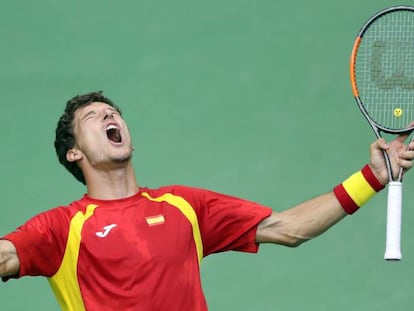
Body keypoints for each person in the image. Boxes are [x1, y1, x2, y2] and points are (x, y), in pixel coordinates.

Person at [1, 91, 413, 311]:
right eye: (94, 118)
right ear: (74, 152)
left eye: (113, 113)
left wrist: (373, 177)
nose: (110, 117)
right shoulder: (61, 228)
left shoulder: (183, 207)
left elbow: (288, 228)